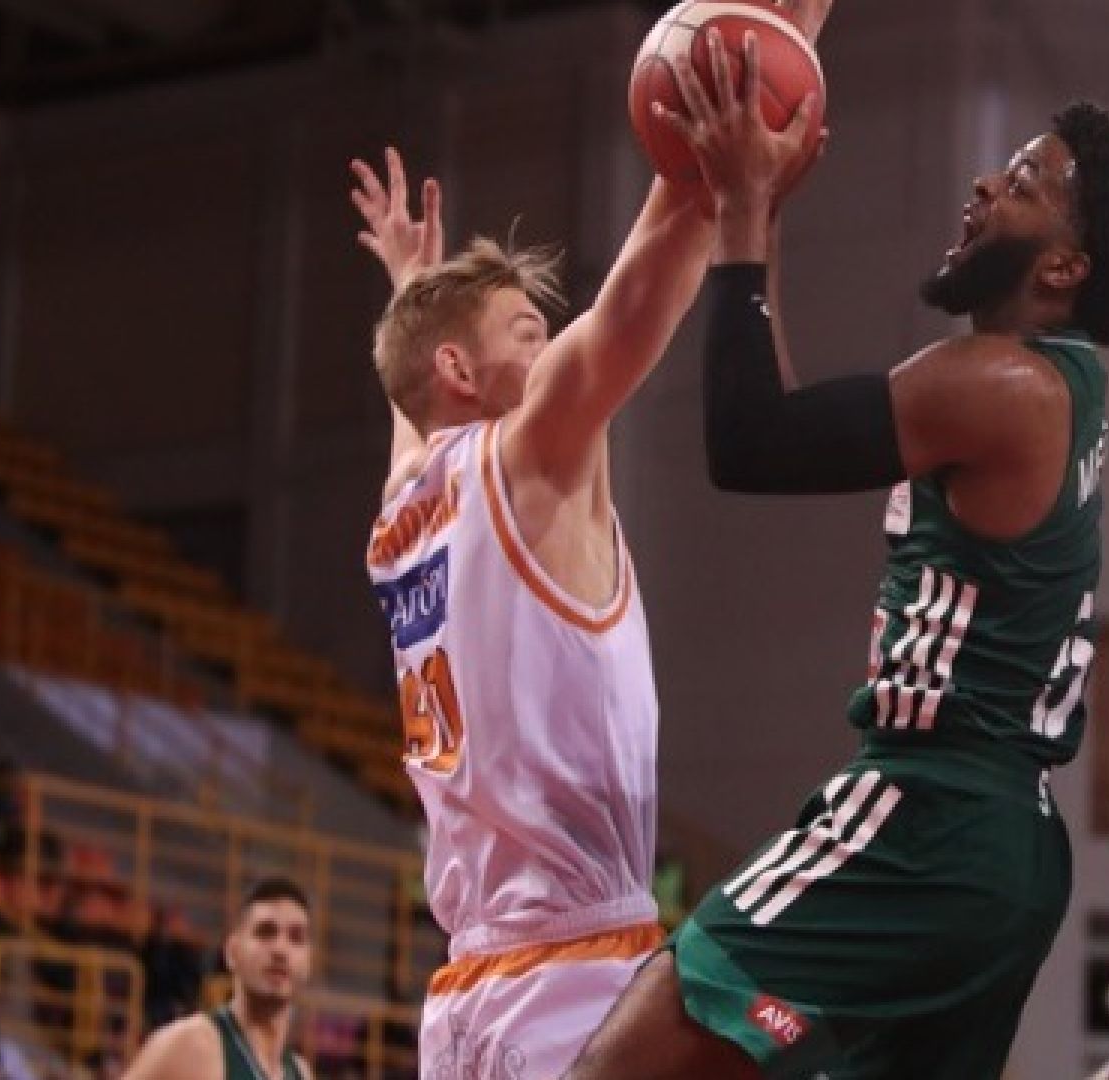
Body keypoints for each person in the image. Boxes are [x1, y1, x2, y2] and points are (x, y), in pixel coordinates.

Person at [565, 31, 1109, 1080]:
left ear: (1064, 266)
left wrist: (742, 210)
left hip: (932, 814)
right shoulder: (1058, 391)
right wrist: (758, 215)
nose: (986, 185)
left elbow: (751, 440)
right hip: (1008, 851)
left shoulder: (1000, 383)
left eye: (1023, 184)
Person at [351, 3, 833, 1075]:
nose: (553, 347)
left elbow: (414, 402)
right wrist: (747, 78)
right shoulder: (530, 451)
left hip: (464, 996)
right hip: (571, 976)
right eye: (530, 331)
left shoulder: (396, 514)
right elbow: (657, 261)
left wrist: (409, 287)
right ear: (461, 372)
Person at [121, 878, 312, 1080]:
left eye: (296, 938)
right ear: (232, 953)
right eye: (265, 932)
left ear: (308, 962)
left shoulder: (301, 1072)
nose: (280, 950)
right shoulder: (191, 1045)